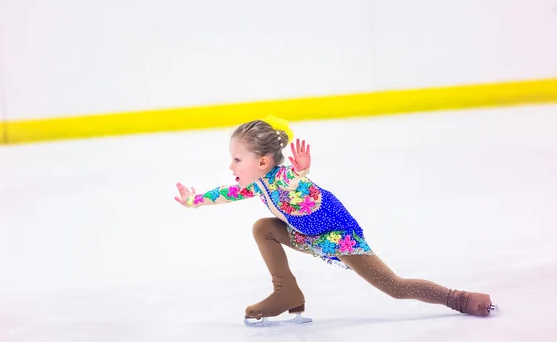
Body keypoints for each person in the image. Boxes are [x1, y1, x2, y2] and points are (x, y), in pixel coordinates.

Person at [174, 115, 496, 322]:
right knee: (263, 228)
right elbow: (225, 193)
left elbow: (296, 184)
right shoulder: (257, 182)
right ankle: (287, 292)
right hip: (306, 235)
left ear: (262, 162)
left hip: (339, 238)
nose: (231, 166)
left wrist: (301, 172)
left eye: (236, 159)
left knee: (394, 287)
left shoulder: (285, 178)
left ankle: (459, 299)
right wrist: (196, 200)